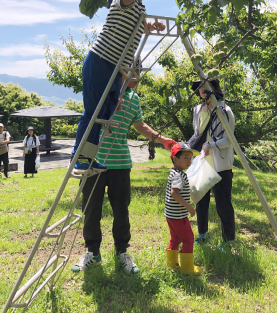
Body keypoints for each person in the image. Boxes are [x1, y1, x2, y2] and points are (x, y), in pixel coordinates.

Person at [71, 70, 176, 274]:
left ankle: (122, 252)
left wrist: (161, 139)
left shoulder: (133, 98)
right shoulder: (101, 91)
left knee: (121, 210)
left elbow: (140, 125)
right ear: (122, 72)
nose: (138, 76)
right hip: (94, 162)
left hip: (121, 164)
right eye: (134, 71)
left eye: (139, 71)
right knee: (91, 209)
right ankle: (93, 252)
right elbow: (89, 116)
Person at [72, 0, 164, 172]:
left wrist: (152, 26)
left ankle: (90, 157)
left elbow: (141, 25)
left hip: (117, 71)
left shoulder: (140, 9)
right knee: (93, 112)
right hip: (101, 60)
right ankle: (80, 157)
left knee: (104, 115)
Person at [191, 78, 235, 248]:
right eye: (200, 86)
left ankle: (228, 241)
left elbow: (229, 139)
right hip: (203, 162)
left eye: (206, 85)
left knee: (223, 205)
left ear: (215, 88)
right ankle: (202, 235)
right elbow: (197, 134)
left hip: (221, 165)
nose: (202, 89)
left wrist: (211, 145)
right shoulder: (197, 110)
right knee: (201, 201)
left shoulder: (225, 110)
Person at [165, 142, 202, 275]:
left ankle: (172, 264)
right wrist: (189, 208)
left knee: (175, 238)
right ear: (175, 159)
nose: (189, 161)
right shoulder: (179, 175)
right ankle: (187, 268)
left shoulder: (175, 172)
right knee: (188, 239)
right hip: (178, 216)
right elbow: (174, 193)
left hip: (171, 215)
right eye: (185, 157)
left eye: (190, 158)